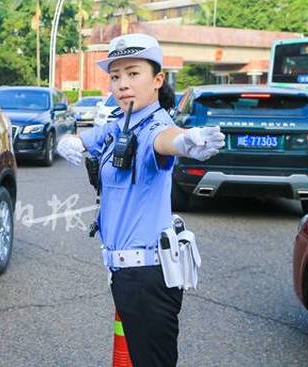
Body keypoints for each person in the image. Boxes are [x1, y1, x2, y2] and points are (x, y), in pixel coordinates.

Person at [56, 33, 225, 367]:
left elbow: (166, 140)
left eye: (133, 73)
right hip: (126, 273)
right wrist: (71, 141)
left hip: (147, 276)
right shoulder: (123, 123)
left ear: (157, 80)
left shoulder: (154, 126)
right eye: (116, 76)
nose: (122, 84)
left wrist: (187, 142)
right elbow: (89, 139)